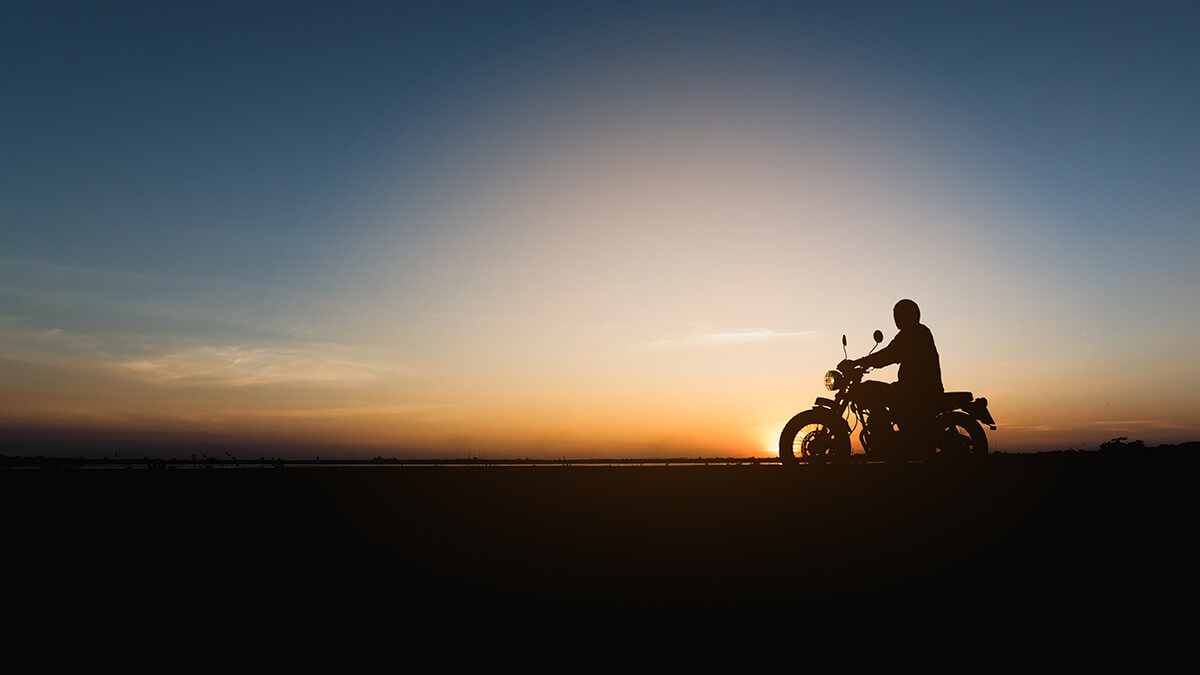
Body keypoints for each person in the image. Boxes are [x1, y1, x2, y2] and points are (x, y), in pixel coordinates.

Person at [847, 299, 943, 454]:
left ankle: (889, 440)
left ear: (909, 315)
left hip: (919, 390)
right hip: (911, 387)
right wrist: (863, 362)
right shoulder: (910, 333)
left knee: (870, 390)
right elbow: (890, 353)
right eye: (896, 315)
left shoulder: (915, 333)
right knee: (874, 390)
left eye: (899, 314)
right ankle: (885, 435)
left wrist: (858, 362)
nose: (896, 319)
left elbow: (889, 354)